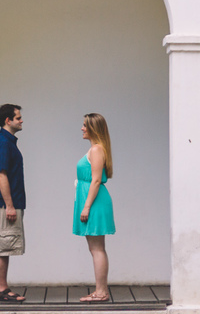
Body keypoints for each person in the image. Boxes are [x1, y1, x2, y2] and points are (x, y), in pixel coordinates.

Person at [73, 112, 115, 302]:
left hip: (94, 202)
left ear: (93, 128)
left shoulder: (97, 150)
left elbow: (96, 180)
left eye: (85, 125)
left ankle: (101, 292)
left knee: (97, 248)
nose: (82, 128)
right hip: (91, 200)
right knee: (96, 248)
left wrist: (86, 207)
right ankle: (100, 290)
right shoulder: (95, 149)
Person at [0, 103, 26, 303]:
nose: (21, 120)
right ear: (7, 120)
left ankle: (2, 288)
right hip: (4, 205)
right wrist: (9, 205)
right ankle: (1, 290)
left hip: (9, 203)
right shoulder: (3, 143)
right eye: (18, 117)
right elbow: (2, 175)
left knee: (6, 245)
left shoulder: (8, 142)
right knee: (4, 246)